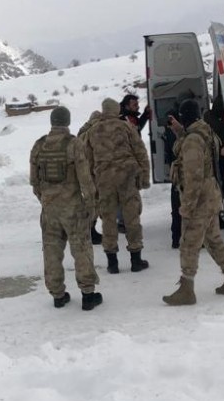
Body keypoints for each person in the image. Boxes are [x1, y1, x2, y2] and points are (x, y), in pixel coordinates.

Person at [163, 98, 224, 306]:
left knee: (189, 243)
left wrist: (187, 207)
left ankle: (186, 289)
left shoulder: (192, 140)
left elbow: (194, 176)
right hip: (211, 195)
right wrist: (181, 132)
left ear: (184, 117)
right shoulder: (206, 131)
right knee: (213, 239)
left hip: (199, 199)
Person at [30, 106, 103, 311]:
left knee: (51, 250)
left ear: (52, 122)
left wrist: (46, 201)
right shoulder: (73, 144)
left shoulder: (39, 145)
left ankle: (58, 295)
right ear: (67, 122)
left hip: (49, 211)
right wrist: (90, 205)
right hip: (73, 209)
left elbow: (34, 182)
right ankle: (88, 295)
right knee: (81, 249)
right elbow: (85, 179)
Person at [84, 98, 150, 274]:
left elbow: (88, 160)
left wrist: (93, 180)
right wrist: (144, 177)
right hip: (127, 178)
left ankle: (112, 262)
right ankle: (136, 259)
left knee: (108, 219)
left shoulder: (93, 131)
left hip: (104, 181)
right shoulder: (126, 126)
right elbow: (140, 152)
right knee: (131, 218)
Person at [203, 91, 224, 229]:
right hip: (214, 161)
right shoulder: (213, 122)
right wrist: (220, 149)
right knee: (215, 190)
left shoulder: (209, 118)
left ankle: (217, 218)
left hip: (217, 160)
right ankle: (216, 219)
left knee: (217, 190)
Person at [77, 111, 104, 245]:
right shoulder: (94, 133)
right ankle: (90, 231)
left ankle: (89, 230)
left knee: (91, 203)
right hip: (94, 174)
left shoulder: (82, 133)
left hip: (85, 174)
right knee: (94, 204)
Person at [163, 108, 183, 249]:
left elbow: (167, 154)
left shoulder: (166, 132)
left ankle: (175, 239)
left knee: (176, 208)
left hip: (175, 173)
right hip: (183, 172)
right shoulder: (182, 133)